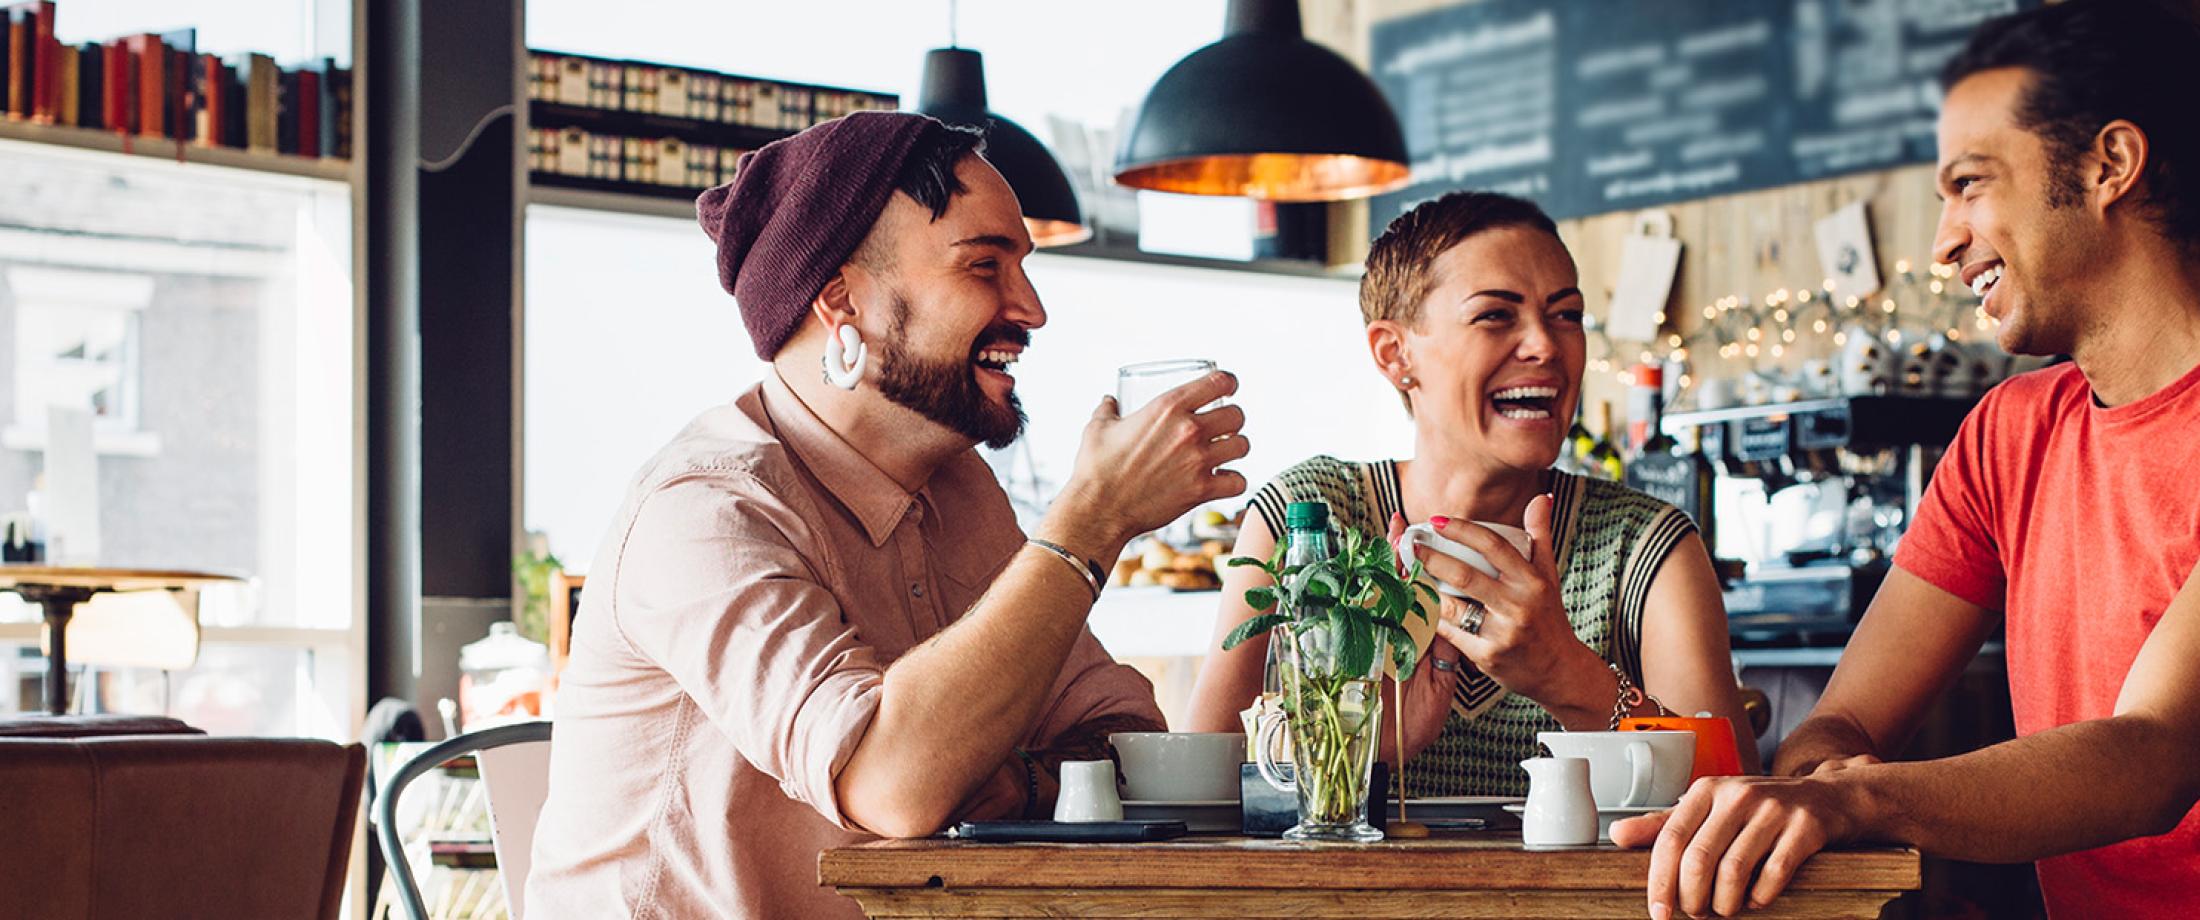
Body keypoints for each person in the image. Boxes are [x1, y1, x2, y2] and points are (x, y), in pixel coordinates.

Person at [524, 112, 1250, 919]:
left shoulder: (964, 490)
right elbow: (893, 782)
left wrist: (996, 778)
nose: (1032, 309)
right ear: (841, 301)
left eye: (1024, 268)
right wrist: (1088, 524)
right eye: (984, 266)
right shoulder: (705, 512)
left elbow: (1122, 732)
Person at [1613, 2, 2200, 917]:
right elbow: (1844, 722)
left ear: (2107, 166)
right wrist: (1811, 781)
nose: (1944, 243)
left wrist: (1852, 797)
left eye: (1970, 184)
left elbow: (2155, 754)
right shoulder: (2010, 434)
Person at [1183, 190, 1756, 796]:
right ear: (1395, 354)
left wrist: (1568, 676)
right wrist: (1354, 744)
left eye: (1566, 314)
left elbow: (1738, 795)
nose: (1545, 345)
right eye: (1495, 315)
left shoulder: (1645, 543)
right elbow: (1200, 786)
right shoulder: (1308, 518)